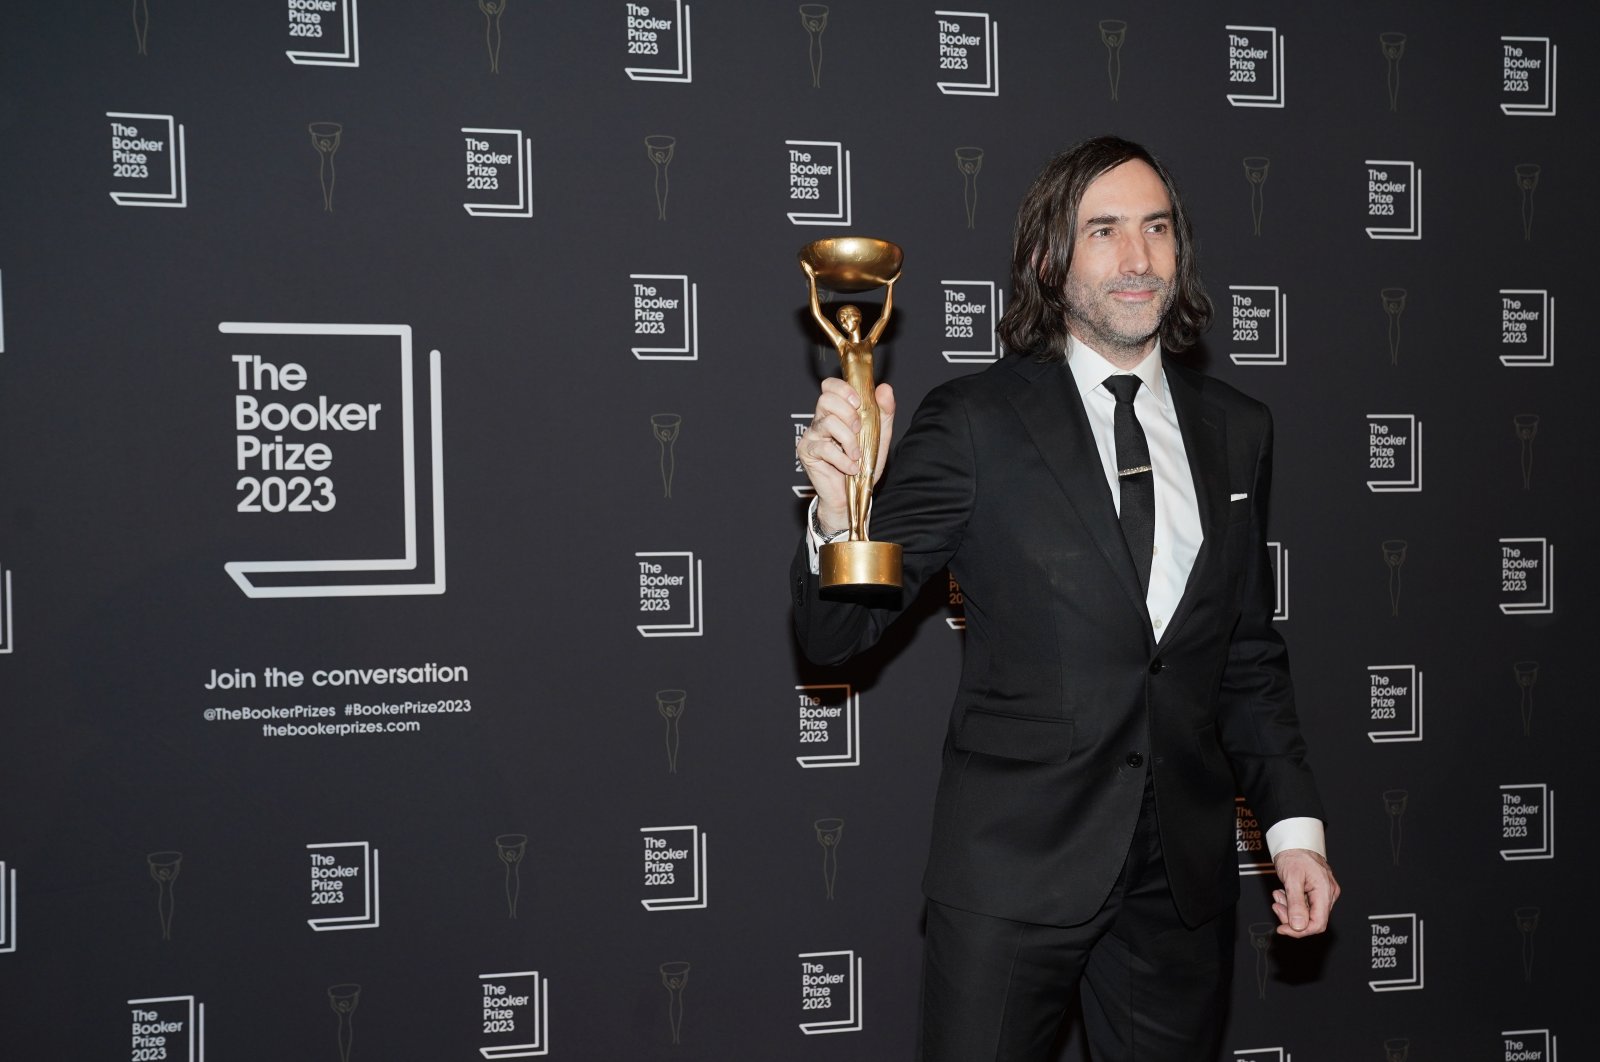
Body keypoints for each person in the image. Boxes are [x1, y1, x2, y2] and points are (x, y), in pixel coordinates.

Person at [791, 135, 1339, 1061]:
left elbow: (1245, 654)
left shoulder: (1240, 431)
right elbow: (835, 633)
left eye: (1157, 229)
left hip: (1182, 886)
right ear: (1052, 259)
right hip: (1013, 875)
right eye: (1105, 232)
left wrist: (1294, 830)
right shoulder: (975, 424)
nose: (1137, 260)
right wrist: (837, 518)